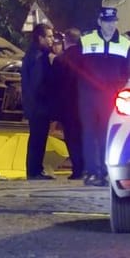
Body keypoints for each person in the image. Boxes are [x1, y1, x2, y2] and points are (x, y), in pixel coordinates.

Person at [77, 7, 130, 187]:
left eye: (113, 21)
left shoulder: (125, 43)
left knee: (108, 133)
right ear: (99, 22)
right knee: (89, 133)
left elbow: (127, 71)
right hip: (88, 96)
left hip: (111, 97)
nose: (110, 25)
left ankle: (107, 173)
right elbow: (76, 67)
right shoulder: (86, 40)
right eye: (106, 21)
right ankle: (92, 172)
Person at [21, 23, 55, 180]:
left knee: (37, 138)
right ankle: (35, 171)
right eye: (48, 36)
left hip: (35, 105)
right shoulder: (38, 57)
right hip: (39, 106)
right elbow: (37, 83)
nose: (52, 39)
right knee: (38, 139)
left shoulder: (34, 54)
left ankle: (34, 170)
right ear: (40, 38)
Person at [51, 28, 84, 179]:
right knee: (85, 136)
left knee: (71, 137)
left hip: (67, 106)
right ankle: (88, 168)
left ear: (66, 40)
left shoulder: (60, 60)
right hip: (86, 104)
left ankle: (77, 169)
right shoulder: (87, 58)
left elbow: (55, 84)